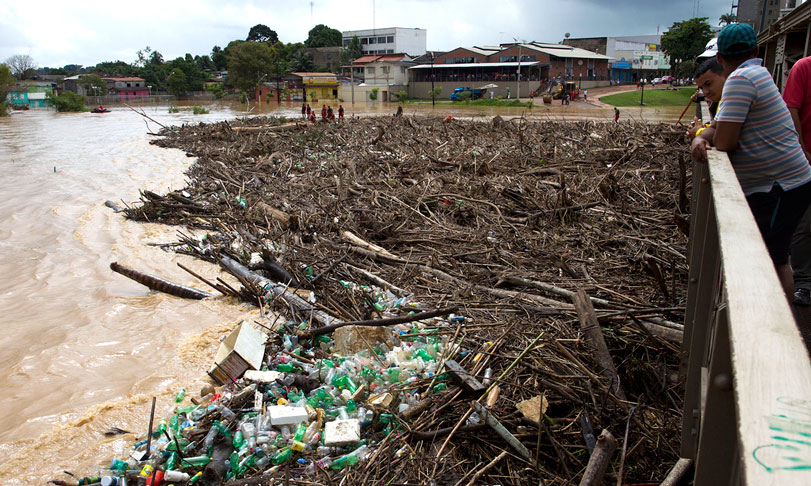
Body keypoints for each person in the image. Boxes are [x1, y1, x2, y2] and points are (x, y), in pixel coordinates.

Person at [691, 23, 811, 299]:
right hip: (781, 185)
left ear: (719, 59)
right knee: (770, 254)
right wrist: (701, 135)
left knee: (773, 259)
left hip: (782, 187)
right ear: (756, 50)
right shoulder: (758, 73)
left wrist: (707, 136)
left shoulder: (741, 80)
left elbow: (725, 141)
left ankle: (779, 325)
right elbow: (718, 126)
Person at [784, 56, 811, 305]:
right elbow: (791, 107)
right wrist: (802, 150)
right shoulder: (804, 67)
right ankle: (803, 281)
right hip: (805, 162)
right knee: (804, 223)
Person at [686, 58, 726, 140]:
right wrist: (702, 127)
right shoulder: (721, 100)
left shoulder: (731, 97)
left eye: (708, 84)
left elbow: (725, 137)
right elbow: (718, 127)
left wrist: (698, 132)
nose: (705, 92)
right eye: (701, 88)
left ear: (724, 75)